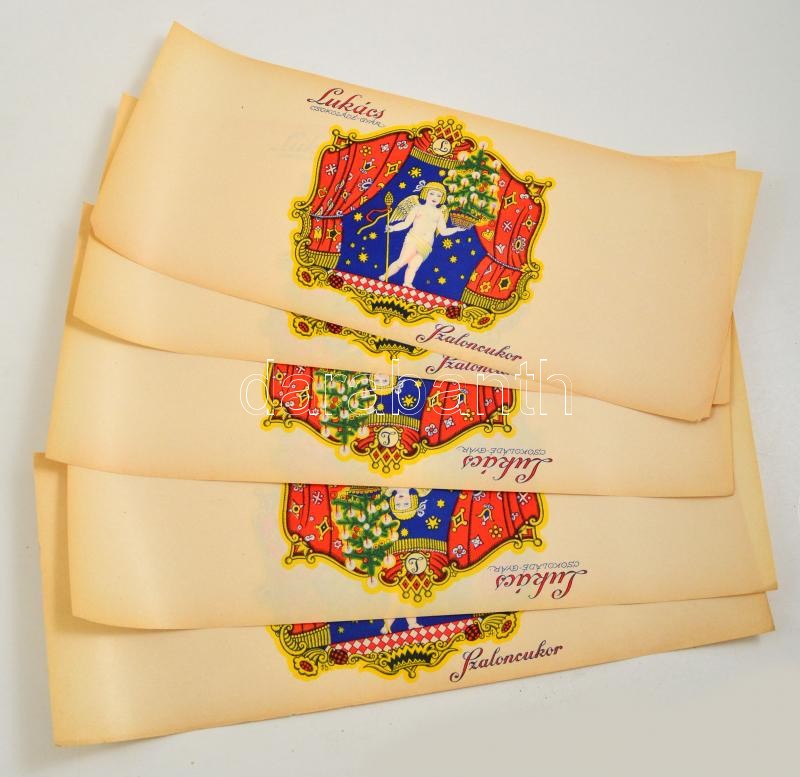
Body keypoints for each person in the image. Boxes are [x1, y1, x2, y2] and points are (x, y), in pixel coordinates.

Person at [380, 182, 465, 288]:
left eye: (439, 195)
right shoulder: (417, 208)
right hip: (413, 239)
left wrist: (456, 229)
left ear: (442, 198)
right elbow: (406, 224)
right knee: (401, 261)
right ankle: (385, 276)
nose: (435, 197)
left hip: (426, 244)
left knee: (414, 266)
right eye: (432, 193)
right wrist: (393, 228)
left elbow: (443, 231)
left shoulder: (439, 213)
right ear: (425, 193)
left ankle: (407, 284)